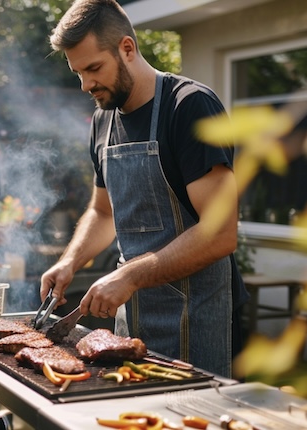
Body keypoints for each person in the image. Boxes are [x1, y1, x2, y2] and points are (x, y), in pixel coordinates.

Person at [40, 0, 248, 378]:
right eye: (77, 73)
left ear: (127, 48)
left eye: (94, 68)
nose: (86, 85)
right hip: (131, 324)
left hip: (199, 321)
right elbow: (103, 212)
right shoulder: (103, 120)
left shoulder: (189, 107)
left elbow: (221, 233)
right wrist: (71, 260)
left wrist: (129, 276)